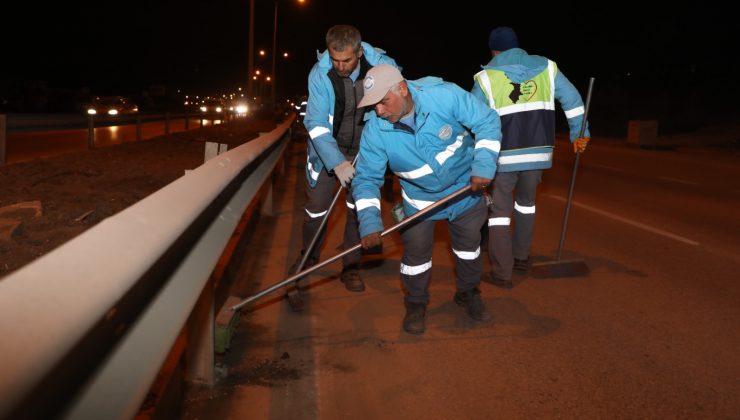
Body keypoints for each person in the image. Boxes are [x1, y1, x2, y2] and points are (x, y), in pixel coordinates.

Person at [352, 64, 502, 335]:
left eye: (383, 102)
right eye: (373, 106)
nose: (379, 111)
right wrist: (369, 223)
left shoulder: (444, 96)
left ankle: (469, 293)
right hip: (419, 203)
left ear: (402, 88)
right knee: (416, 258)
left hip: (465, 192)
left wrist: (484, 166)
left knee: (469, 249)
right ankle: (416, 304)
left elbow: (488, 121)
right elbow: (366, 180)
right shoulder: (376, 131)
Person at [471, 26, 591, 288]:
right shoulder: (548, 68)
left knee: (499, 214)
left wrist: (472, 155)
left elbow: (473, 119)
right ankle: (521, 257)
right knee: (526, 204)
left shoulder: (486, 78)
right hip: (538, 153)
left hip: (503, 155)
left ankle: (503, 273)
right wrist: (580, 134)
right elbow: (572, 100)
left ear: (494, 51)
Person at [296, 25, 400, 293]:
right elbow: (316, 123)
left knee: (358, 209)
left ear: (360, 52)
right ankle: (308, 259)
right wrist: (336, 162)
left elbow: (395, 104)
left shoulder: (382, 69)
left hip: (366, 152)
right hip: (327, 152)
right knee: (316, 209)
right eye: (335, 60)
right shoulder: (320, 75)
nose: (340, 66)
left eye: (347, 60)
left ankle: (351, 267)